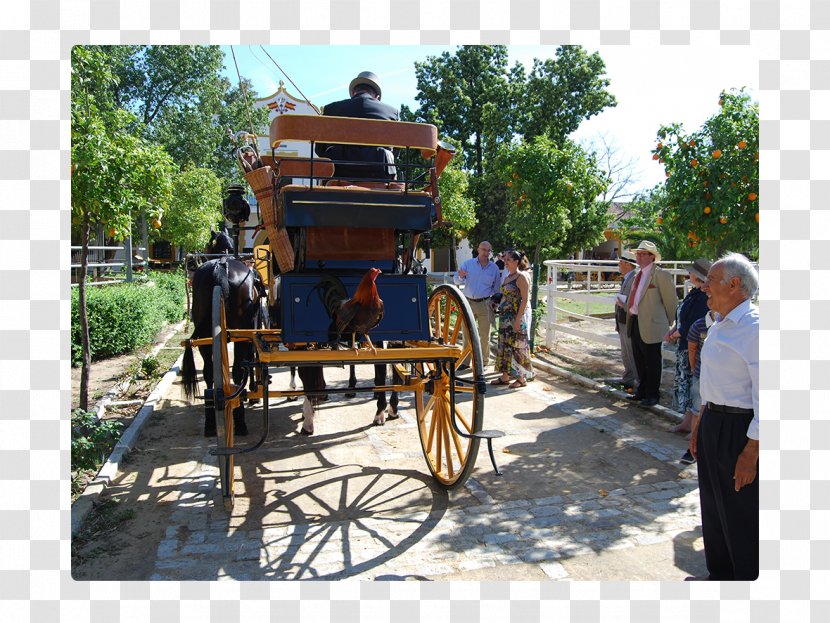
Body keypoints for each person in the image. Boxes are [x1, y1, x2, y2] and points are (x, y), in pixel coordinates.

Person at [687, 253, 759, 581]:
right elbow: (713, 384)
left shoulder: (755, 329)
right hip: (714, 420)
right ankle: (720, 575)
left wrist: (752, 451)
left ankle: (746, 581)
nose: (704, 288)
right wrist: (700, 423)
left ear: (734, 284)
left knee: (740, 511)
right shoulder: (719, 322)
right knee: (713, 505)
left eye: (710, 281)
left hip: (741, 429)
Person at [314, 71, 399, 181]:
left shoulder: (331, 109)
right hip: (380, 174)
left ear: (353, 92)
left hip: (338, 174)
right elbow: (395, 151)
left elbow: (320, 150)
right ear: (377, 96)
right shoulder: (392, 112)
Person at [625, 240, 678, 407]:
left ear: (652, 257)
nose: (638, 257)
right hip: (634, 321)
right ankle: (642, 391)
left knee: (652, 361)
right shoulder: (636, 274)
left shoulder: (660, 275)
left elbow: (670, 301)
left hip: (652, 325)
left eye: (642, 254)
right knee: (639, 359)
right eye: (637, 254)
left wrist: (668, 323)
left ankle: (653, 394)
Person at [664, 258, 711, 432]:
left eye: (691, 271)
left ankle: (693, 427)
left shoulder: (702, 297)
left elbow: (693, 324)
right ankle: (686, 422)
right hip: (683, 344)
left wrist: (675, 334)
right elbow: (683, 317)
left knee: (692, 384)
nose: (688, 274)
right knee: (686, 383)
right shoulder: (694, 293)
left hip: (692, 347)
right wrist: (674, 330)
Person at [678, 304, 717, 464]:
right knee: (697, 411)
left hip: (719, 380)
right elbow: (692, 350)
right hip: (701, 376)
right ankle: (693, 448)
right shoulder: (699, 325)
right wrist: (695, 369)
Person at [454, 241, 501, 366]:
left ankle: (484, 361)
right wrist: (460, 276)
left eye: (488, 251)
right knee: (467, 333)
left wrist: (495, 303)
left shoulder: (494, 268)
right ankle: (465, 361)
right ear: (478, 250)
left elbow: (497, 288)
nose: (486, 253)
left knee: (484, 335)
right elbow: (456, 279)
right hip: (468, 302)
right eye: (483, 250)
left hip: (485, 303)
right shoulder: (468, 264)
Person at [491, 250, 533, 388]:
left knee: (517, 346)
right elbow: (505, 295)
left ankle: (522, 378)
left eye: (508, 260)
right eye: (505, 259)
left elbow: (525, 299)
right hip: (505, 318)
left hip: (516, 317)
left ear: (516, 261)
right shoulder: (508, 277)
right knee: (505, 346)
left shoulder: (521, 277)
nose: (506, 262)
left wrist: (518, 319)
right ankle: (505, 376)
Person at [614, 249, 639, 393]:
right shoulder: (629, 277)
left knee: (631, 351)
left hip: (628, 319)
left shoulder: (633, 278)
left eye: (621, 262)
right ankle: (628, 377)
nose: (619, 265)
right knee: (625, 351)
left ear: (627, 264)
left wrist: (623, 305)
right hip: (622, 318)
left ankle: (635, 380)